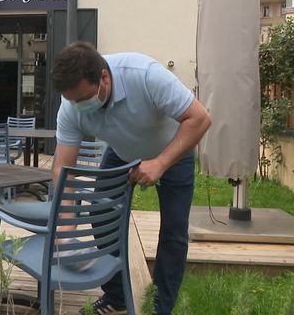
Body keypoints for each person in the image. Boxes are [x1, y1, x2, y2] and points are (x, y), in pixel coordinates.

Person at [51, 41, 211, 315]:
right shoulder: (71, 106)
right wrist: (64, 226)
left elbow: (200, 118)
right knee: (100, 217)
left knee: (173, 230)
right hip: (121, 152)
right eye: (72, 100)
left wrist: (160, 163)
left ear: (104, 77)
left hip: (173, 151)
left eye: (83, 98)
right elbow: (63, 169)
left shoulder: (144, 74)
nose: (78, 106)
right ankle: (118, 294)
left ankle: (159, 307)